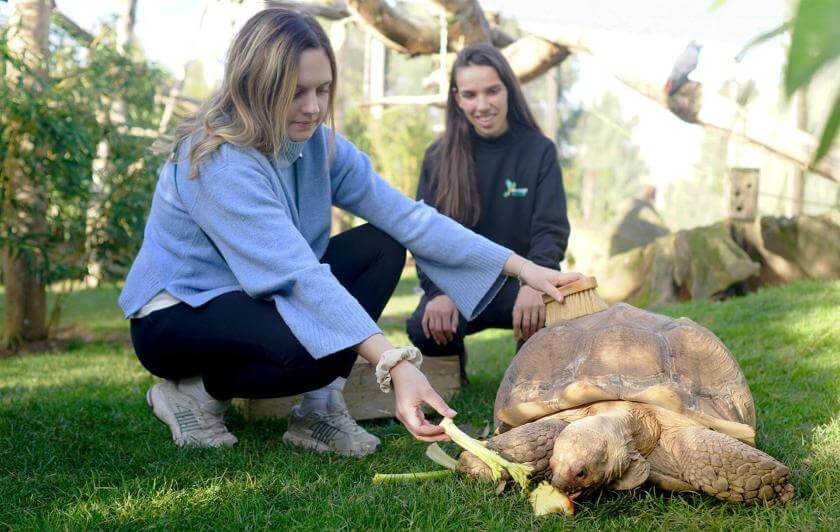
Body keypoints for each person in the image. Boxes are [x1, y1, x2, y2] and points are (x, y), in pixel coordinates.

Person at [118, 8, 582, 456]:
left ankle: (318, 410)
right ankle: (192, 395)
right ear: (255, 85)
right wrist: (393, 361)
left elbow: (409, 217)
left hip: (256, 299)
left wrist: (524, 269)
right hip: (178, 315)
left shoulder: (319, 145)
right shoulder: (218, 160)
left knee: (383, 244)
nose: (314, 107)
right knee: (303, 348)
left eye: (322, 90)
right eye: (296, 92)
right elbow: (298, 275)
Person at [406, 44, 570, 376]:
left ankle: (531, 372)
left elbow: (550, 229)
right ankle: (453, 370)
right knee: (424, 327)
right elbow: (424, 236)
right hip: (463, 288)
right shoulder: (439, 157)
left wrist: (534, 283)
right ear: (457, 98)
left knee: (557, 315)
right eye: (470, 94)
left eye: (492, 91)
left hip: (522, 284)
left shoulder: (539, 151)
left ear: (509, 88)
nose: (482, 105)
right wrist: (438, 292)